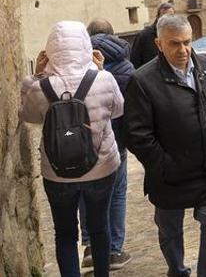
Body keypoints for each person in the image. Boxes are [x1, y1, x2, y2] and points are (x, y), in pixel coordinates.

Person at [124, 14, 206, 277]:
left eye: (187, 42)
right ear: (159, 44)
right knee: (170, 230)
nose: (183, 50)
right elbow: (138, 135)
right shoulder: (143, 80)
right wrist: (164, 165)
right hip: (169, 175)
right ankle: (177, 270)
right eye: (174, 44)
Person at [19, 21, 125, 277]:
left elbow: (29, 116)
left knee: (65, 233)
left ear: (50, 50)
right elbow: (118, 109)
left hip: (57, 173)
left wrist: (36, 76)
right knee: (100, 228)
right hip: (101, 169)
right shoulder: (104, 79)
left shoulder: (40, 87)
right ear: (86, 47)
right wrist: (98, 69)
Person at [73, 19, 136, 271]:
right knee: (117, 194)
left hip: (82, 143)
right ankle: (114, 250)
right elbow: (126, 109)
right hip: (116, 141)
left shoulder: (77, 64)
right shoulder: (126, 67)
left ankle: (90, 245)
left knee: (85, 194)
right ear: (114, 35)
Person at [130, 1, 175, 69]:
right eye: (164, 17)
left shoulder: (176, 35)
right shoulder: (143, 36)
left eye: (171, 17)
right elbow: (134, 62)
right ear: (158, 17)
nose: (167, 20)